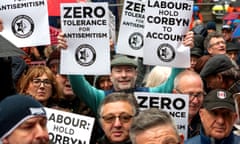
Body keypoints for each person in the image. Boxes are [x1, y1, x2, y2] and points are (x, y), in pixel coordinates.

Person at [57, 31, 194, 115]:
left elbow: (173, 82)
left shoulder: (150, 95)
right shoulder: (99, 98)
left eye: (128, 70)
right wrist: (69, 51)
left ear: (136, 74)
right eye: (118, 71)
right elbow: (78, 85)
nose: (123, 75)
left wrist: (183, 49)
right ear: (110, 76)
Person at [173, 70, 205, 138]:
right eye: (189, 94)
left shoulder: (207, 124)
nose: (195, 101)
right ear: (175, 94)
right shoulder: (163, 124)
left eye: (199, 94)